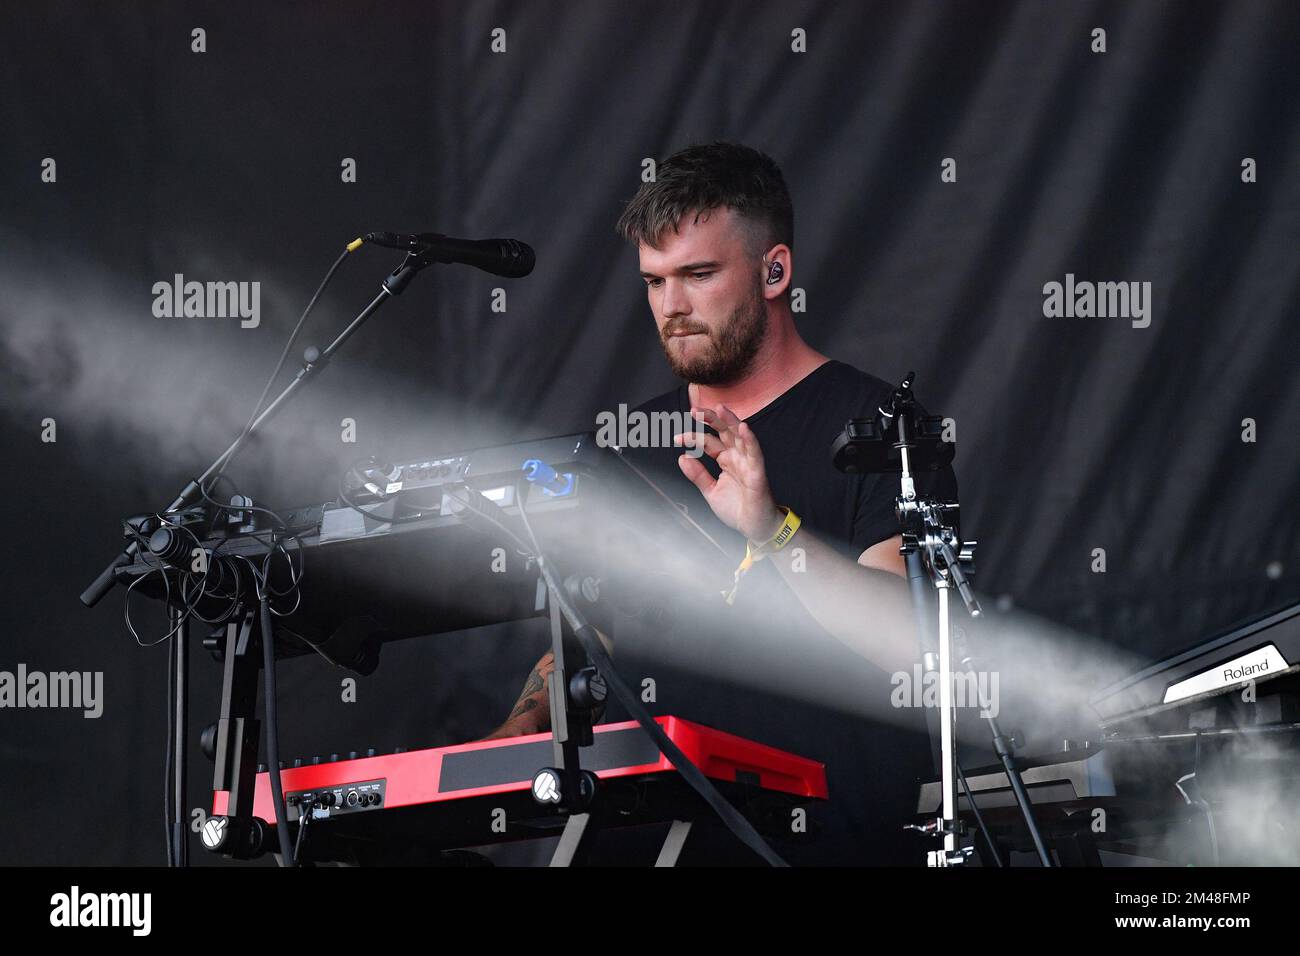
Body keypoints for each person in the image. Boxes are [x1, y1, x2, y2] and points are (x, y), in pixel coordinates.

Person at [488, 141, 958, 865]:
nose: (671, 307)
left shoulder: (884, 430)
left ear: (774, 272)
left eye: (698, 275)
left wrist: (772, 530)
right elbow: (592, 639)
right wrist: (516, 732)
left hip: (832, 846)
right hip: (652, 848)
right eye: (654, 282)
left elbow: (908, 639)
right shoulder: (621, 446)